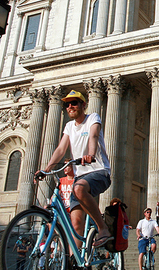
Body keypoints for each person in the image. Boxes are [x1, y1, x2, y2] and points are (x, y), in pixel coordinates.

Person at [36, 90, 113, 247]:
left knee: (78, 189)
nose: (70, 106)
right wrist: (46, 169)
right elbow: (61, 149)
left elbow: (94, 135)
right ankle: (75, 261)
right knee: (76, 223)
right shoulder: (69, 126)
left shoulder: (93, 118)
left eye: (74, 103)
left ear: (83, 105)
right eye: (67, 104)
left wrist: (91, 154)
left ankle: (103, 228)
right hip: (80, 177)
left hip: (98, 171)